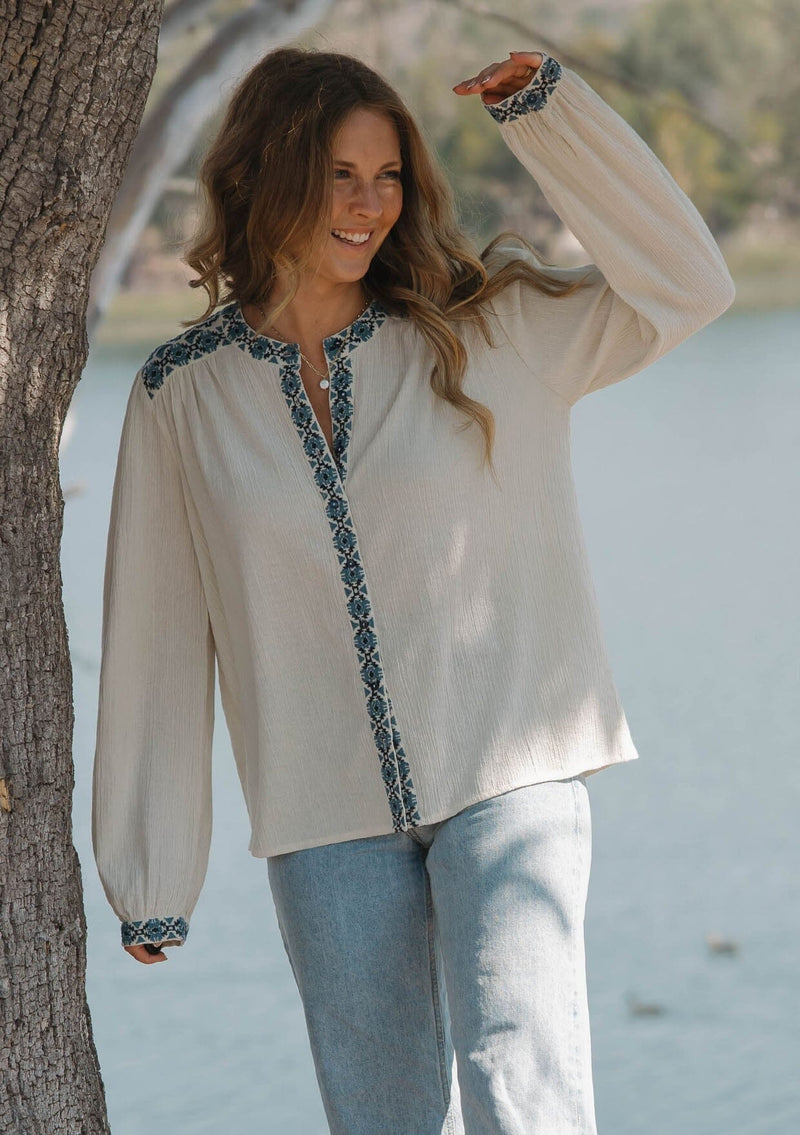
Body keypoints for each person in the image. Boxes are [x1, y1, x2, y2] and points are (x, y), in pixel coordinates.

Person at [91, 43, 735, 1134]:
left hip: (508, 776)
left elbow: (689, 282)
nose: (368, 204)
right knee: (381, 1119)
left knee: (517, 1091)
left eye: (386, 175)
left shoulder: (491, 331)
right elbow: (155, 639)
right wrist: (151, 865)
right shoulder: (179, 396)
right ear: (263, 173)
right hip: (321, 815)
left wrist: (548, 114)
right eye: (338, 174)